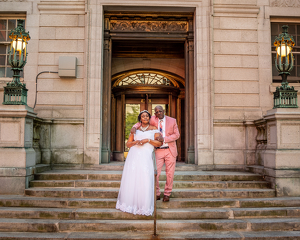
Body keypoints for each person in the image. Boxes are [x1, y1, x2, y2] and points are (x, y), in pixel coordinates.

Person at [116, 110, 162, 216]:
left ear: (149, 118)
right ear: (140, 119)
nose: (145, 117)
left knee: (145, 179)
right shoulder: (135, 130)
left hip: (146, 157)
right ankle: (129, 204)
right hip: (134, 156)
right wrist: (136, 142)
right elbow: (128, 144)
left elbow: (159, 143)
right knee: (132, 179)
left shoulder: (154, 129)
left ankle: (144, 206)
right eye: (143, 116)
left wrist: (148, 140)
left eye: (147, 116)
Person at [131, 105, 180, 202]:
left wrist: (164, 139)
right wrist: (134, 127)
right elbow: (141, 121)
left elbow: (177, 135)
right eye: (156, 112)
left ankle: (167, 194)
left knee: (170, 174)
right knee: (155, 173)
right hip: (158, 150)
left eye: (160, 111)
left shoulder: (172, 120)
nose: (159, 113)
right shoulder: (153, 119)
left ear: (164, 111)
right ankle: (157, 193)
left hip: (170, 150)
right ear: (155, 113)